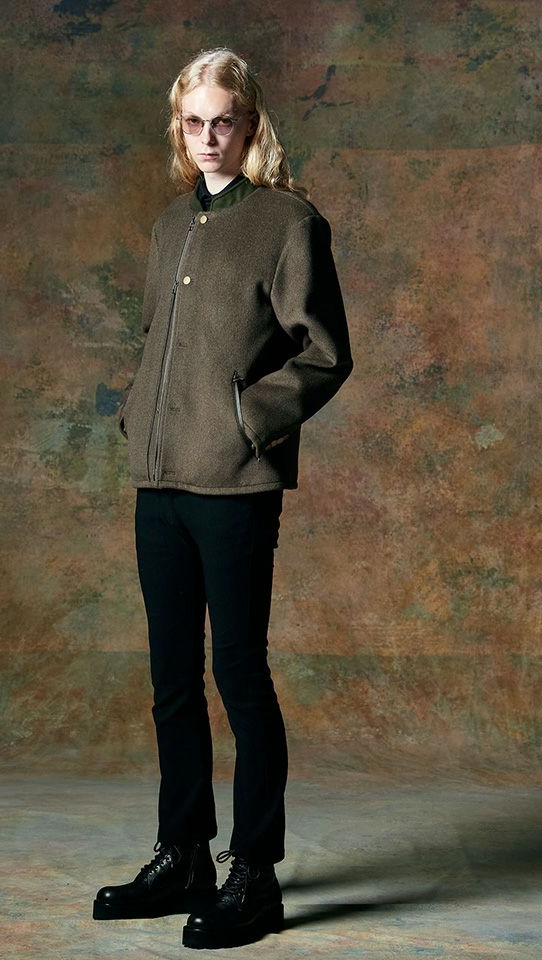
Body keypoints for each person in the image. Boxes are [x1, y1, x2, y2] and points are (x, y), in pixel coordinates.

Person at [92, 46, 353, 950]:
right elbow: (161, 340)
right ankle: (183, 856)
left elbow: (325, 352)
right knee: (171, 679)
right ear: (180, 129)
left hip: (235, 485)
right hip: (159, 480)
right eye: (194, 123)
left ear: (250, 125)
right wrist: (139, 414)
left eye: (224, 122)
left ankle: (255, 874)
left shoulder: (287, 221)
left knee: (238, 673)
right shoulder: (171, 225)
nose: (209, 138)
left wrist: (249, 419)